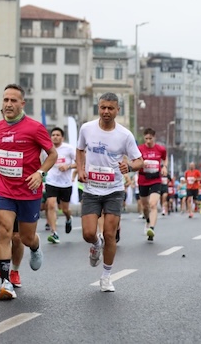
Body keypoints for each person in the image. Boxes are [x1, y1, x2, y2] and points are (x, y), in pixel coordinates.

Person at [0, 84, 56, 301]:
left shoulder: (35, 128)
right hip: (4, 190)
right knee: (4, 232)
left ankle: (35, 246)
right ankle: (5, 282)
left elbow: (52, 154)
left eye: (13, 100)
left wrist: (40, 173)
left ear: (22, 103)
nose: (8, 104)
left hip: (28, 191)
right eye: (5, 100)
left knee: (25, 238)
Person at [77, 93, 143, 293]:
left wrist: (129, 167)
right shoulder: (86, 129)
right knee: (89, 233)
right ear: (98, 108)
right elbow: (80, 150)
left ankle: (106, 277)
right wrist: (80, 169)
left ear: (117, 110)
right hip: (91, 189)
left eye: (110, 108)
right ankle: (96, 244)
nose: (106, 111)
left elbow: (139, 161)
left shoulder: (125, 135)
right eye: (103, 107)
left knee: (110, 233)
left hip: (114, 190)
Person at [44, 127, 77, 244]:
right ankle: (54, 233)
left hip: (65, 183)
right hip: (51, 181)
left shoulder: (69, 149)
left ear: (62, 138)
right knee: (51, 205)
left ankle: (68, 218)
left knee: (65, 209)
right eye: (53, 135)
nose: (55, 137)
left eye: (58, 135)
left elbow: (79, 163)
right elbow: (42, 163)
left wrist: (68, 166)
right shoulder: (46, 149)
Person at [136, 128, 167, 241]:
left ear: (154, 137)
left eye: (150, 138)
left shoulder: (160, 149)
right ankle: (148, 221)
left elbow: (165, 158)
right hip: (143, 179)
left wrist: (164, 166)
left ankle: (152, 229)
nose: (148, 141)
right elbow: (134, 161)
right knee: (145, 206)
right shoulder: (139, 149)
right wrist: (140, 164)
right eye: (146, 138)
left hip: (156, 179)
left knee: (153, 204)